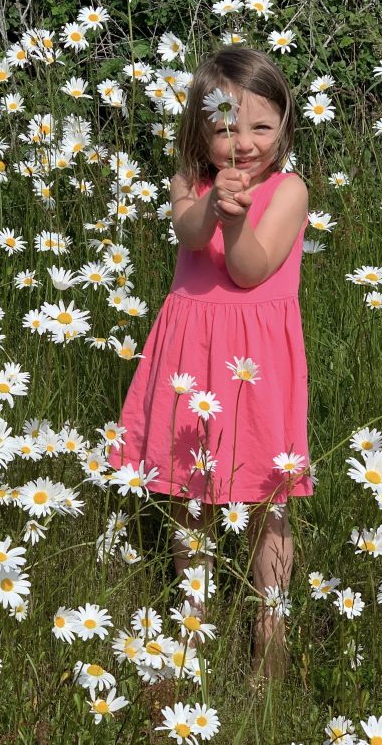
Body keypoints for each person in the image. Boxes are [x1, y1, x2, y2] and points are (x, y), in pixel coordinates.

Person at [107, 45, 312, 681]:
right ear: (199, 129)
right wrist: (211, 210)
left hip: (256, 359)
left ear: (284, 127)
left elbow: (250, 270)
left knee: (265, 499)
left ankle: (269, 628)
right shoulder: (186, 186)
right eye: (225, 126)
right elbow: (189, 233)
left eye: (260, 126)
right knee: (186, 493)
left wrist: (238, 220)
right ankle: (190, 626)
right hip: (191, 353)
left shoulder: (290, 191)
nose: (242, 143)